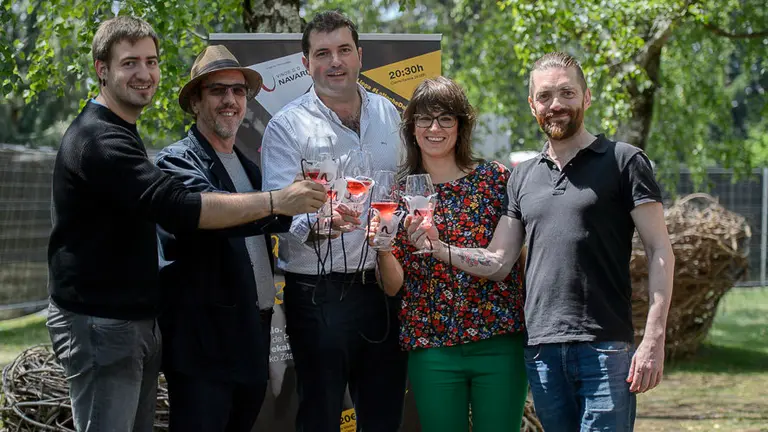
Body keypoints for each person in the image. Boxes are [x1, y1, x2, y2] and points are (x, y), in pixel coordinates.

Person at [46, 17, 326, 432]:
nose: (144, 73)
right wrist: (278, 200)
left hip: (156, 328)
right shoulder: (102, 140)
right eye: (130, 63)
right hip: (119, 328)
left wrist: (317, 219)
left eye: (152, 61)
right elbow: (181, 208)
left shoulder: (127, 134)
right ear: (101, 70)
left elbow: (261, 219)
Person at [408, 52, 675, 431]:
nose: (556, 105)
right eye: (545, 96)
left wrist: (654, 337)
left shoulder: (624, 161)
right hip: (541, 352)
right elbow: (500, 261)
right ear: (533, 104)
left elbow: (660, 249)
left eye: (567, 93)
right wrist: (440, 249)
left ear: (586, 97)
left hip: (605, 348)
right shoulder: (522, 177)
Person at [261, 10, 407, 432]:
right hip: (318, 295)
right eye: (322, 53)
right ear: (306, 64)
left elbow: (400, 189)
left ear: (360, 56)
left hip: (382, 287)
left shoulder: (390, 115)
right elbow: (276, 211)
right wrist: (318, 222)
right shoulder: (286, 127)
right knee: (321, 416)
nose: (335, 61)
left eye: (344, 50)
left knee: (383, 416)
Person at [372, 76, 528, 432]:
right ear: (412, 128)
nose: (434, 128)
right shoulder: (397, 195)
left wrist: (438, 249)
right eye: (424, 119)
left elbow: (501, 264)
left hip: (497, 340)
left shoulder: (494, 179)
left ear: (461, 125)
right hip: (431, 347)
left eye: (445, 118)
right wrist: (381, 250)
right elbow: (394, 286)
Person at [152, 45, 291, 432]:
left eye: (238, 91)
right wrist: (278, 201)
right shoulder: (176, 161)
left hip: (252, 335)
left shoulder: (250, 168)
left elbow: (268, 227)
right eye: (217, 91)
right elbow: (208, 212)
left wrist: (319, 223)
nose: (230, 100)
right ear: (195, 102)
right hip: (204, 347)